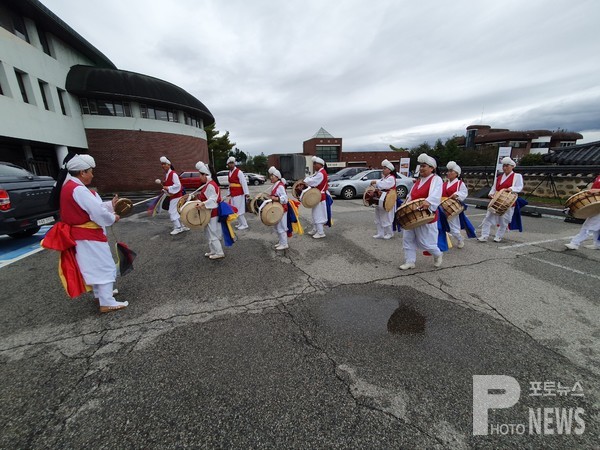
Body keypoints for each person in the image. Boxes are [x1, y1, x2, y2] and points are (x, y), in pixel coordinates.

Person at [43, 154, 128, 313]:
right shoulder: (79, 190)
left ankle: (101, 294)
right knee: (104, 266)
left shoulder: (69, 186)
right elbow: (97, 212)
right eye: (90, 171)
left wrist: (110, 204)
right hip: (89, 235)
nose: (92, 174)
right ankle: (107, 301)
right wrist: (112, 217)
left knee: (94, 266)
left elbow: (90, 207)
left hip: (81, 236)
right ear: (82, 172)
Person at [400, 153, 443, 270]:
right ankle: (410, 261)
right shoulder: (418, 181)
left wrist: (428, 201)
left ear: (432, 168)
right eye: (421, 166)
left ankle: (437, 254)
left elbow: (436, 194)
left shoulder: (436, 179)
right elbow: (411, 195)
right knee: (408, 238)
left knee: (426, 243)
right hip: (413, 214)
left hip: (426, 215)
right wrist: (406, 203)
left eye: (424, 166)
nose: (421, 168)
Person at [477, 157, 523, 243]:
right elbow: (494, 188)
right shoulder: (499, 177)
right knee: (487, 217)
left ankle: (499, 236)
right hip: (496, 200)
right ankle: (484, 235)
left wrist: (511, 188)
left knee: (503, 220)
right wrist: (491, 193)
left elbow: (519, 187)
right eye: (503, 166)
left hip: (507, 201)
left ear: (512, 166)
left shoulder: (517, 176)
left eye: (507, 166)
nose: (504, 168)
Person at [195, 161, 225, 259]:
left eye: (200, 175)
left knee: (213, 233)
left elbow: (213, 199)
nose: (199, 177)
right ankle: (213, 250)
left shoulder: (211, 184)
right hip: (209, 212)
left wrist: (203, 203)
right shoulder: (208, 184)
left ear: (205, 175)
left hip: (213, 212)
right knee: (208, 232)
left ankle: (219, 252)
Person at [565, 174, 600, 250]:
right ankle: (598, 244)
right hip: (597, 204)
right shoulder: (598, 176)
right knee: (597, 226)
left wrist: (598, 190)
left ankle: (575, 243)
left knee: (589, 225)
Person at [303, 156, 332, 239]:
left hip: (319, 196)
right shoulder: (320, 172)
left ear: (320, 164)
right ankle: (316, 229)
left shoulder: (320, 173)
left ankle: (321, 232)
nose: (314, 166)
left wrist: (305, 181)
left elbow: (313, 182)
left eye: (315, 164)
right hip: (317, 195)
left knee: (318, 214)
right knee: (315, 213)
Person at [160, 156, 189, 235]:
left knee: (172, 212)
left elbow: (178, 185)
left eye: (164, 164)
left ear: (169, 165)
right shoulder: (168, 174)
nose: (163, 166)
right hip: (174, 196)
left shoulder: (173, 174)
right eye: (162, 164)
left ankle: (178, 227)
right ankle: (182, 226)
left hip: (176, 196)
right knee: (178, 212)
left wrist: (168, 188)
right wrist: (165, 189)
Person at [443, 161, 469, 248]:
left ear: (457, 173)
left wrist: (457, 195)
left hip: (452, 208)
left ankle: (460, 238)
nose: (449, 173)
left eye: (451, 171)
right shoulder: (444, 183)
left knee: (453, 228)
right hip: (442, 207)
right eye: (448, 171)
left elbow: (464, 193)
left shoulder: (460, 183)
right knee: (439, 226)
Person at [370, 159, 396, 240]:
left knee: (386, 216)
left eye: (385, 168)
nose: (383, 170)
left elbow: (385, 185)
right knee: (378, 216)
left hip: (387, 199)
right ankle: (380, 233)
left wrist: (376, 182)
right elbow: (380, 186)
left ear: (389, 170)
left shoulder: (391, 178)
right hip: (380, 199)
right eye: (383, 168)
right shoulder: (383, 178)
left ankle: (389, 233)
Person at [268, 166, 289, 250]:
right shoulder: (276, 185)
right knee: (277, 226)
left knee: (281, 226)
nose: (271, 177)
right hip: (278, 209)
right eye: (271, 176)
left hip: (282, 209)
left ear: (277, 177)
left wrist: (277, 198)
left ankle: (284, 244)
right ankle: (281, 242)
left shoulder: (280, 186)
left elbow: (285, 198)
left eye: (272, 176)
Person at [226, 156, 250, 230]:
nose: (231, 165)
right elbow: (230, 184)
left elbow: (243, 182)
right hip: (233, 193)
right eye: (230, 163)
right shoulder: (229, 172)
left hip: (239, 193)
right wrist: (229, 192)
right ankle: (240, 223)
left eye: (232, 163)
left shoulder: (239, 172)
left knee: (239, 209)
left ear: (234, 163)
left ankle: (245, 224)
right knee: (235, 209)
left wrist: (246, 193)